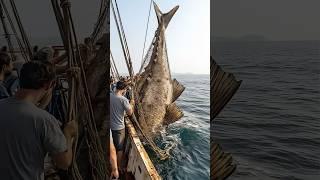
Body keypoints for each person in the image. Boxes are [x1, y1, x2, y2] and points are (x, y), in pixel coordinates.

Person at [0, 61, 77, 179]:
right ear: (48, 85)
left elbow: (25, 113)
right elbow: (64, 163)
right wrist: (68, 134)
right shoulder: (45, 121)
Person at [110, 81, 134, 170]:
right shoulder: (123, 100)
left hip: (110, 127)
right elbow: (130, 113)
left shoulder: (110, 95)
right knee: (119, 149)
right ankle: (118, 167)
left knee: (111, 146)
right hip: (119, 128)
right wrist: (131, 104)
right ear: (124, 90)